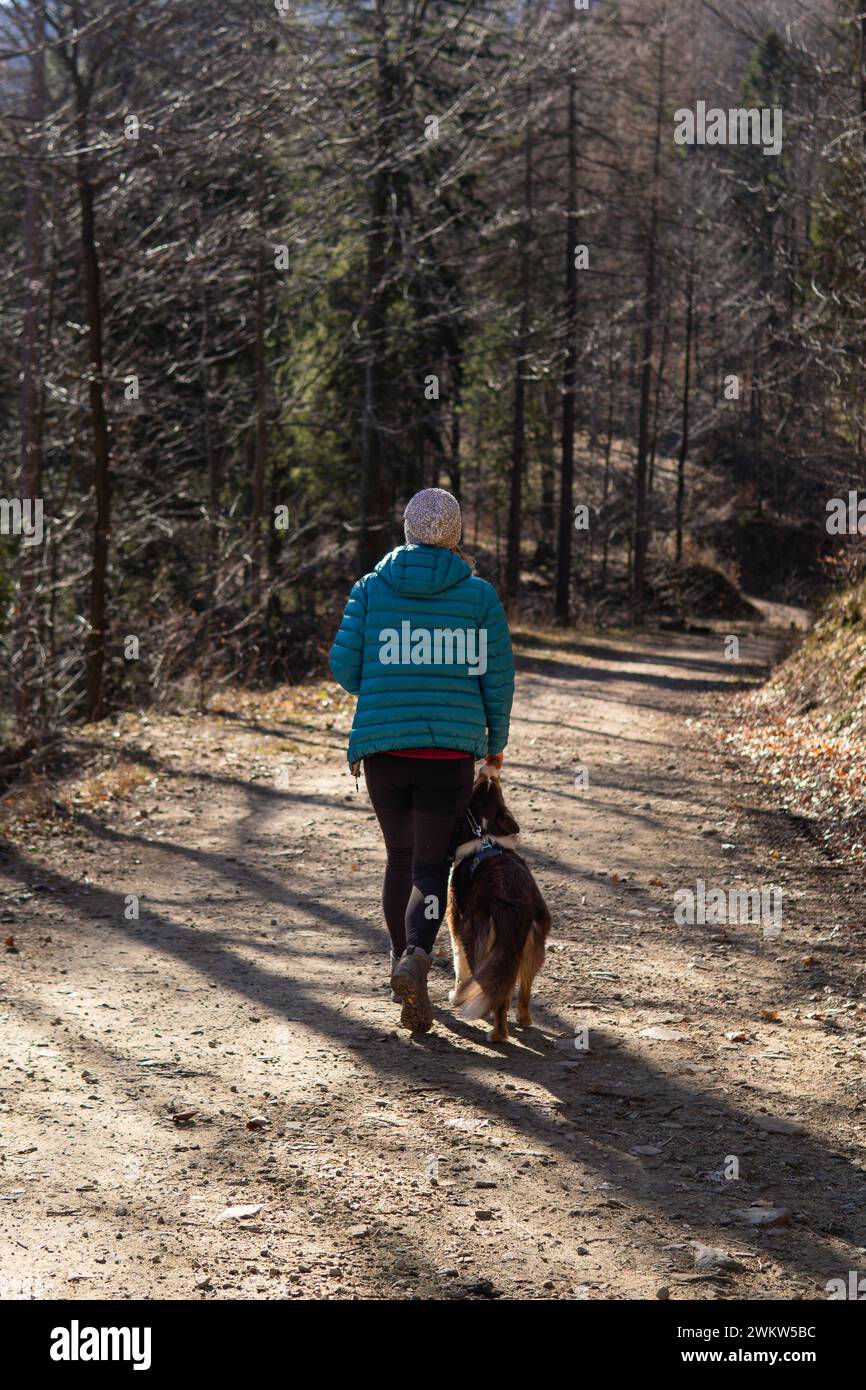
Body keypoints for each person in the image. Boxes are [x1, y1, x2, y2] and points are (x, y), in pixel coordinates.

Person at [329, 488, 515, 1032]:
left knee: (399, 858)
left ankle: (401, 963)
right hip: (448, 751)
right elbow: (496, 679)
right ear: (455, 535)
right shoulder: (477, 596)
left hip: (384, 750)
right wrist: (493, 744)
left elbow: (345, 668)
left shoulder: (370, 588)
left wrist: (388, 678)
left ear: (407, 529)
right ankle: (416, 953)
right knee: (431, 867)